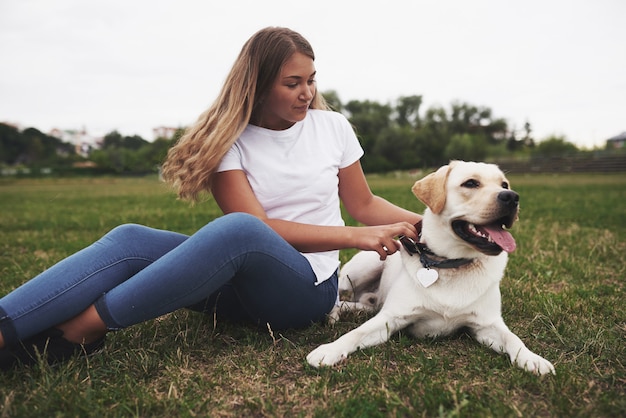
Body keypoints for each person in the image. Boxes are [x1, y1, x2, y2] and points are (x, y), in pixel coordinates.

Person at [0, 27, 421, 370]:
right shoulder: (227, 142)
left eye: (311, 80)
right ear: (257, 86)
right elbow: (261, 230)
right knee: (131, 239)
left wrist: (436, 222)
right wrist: (354, 237)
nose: (306, 93)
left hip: (303, 293)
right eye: (292, 83)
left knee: (239, 231)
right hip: (236, 289)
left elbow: (364, 205)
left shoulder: (333, 128)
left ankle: (75, 333)